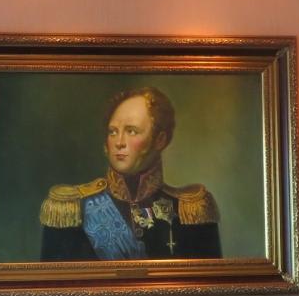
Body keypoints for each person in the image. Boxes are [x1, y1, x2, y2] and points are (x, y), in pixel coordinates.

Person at [39, 86, 220, 260]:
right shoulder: (72, 209)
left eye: (131, 131)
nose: (119, 142)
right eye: (113, 132)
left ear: (160, 140)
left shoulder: (190, 211)